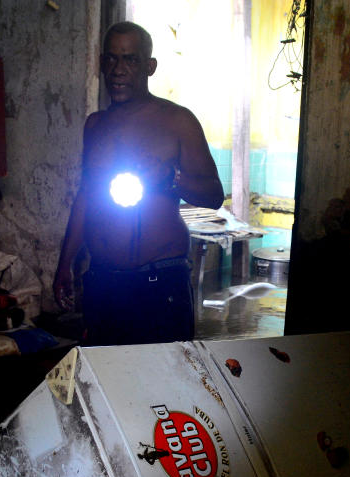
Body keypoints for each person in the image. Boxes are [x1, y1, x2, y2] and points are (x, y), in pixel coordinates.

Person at [53, 21, 224, 346]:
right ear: (102, 63)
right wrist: (65, 264)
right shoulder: (96, 126)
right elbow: (86, 198)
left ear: (149, 66)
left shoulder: (177, 120)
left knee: (164, 382)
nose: (118, 70)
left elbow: (214, 195)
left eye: (130, 60)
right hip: (103, 281)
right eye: (112, 60)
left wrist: (170, 178)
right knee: (107, 380)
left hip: (160, 280)